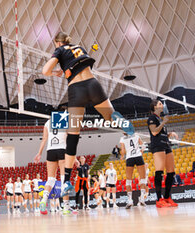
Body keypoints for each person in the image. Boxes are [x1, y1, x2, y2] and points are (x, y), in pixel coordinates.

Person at [42, 32, 134, 199]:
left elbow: (45, 70)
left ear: (57, 42)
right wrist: (63, 70)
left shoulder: (60, 50)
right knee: (111, 117)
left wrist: (54, 72)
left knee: (73, 135)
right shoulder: (79, 48)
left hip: (77, 91)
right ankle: (122, 122)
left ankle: (68, 181)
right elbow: (77, 66)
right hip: (93, 85)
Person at [34, 118, 71, 215]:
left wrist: (39, 153)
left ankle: (43, 200)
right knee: (64, 179)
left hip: (50, 151)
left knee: (50, 179)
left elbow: (44, 139)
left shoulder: (47, 122)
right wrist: (73, 157)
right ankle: (66, 207)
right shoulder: (65, 120)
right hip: (62, 149)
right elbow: (69, 139)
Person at [147, 99, 178, 208]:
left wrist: (170, 134)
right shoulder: (152, 118)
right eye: (160, 103)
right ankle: (158, 199)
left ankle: (167, 197)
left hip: (166, 145)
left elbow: (161, 133)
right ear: (154, 107)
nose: (162, 105)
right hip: (158, 146)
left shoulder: (159, 119)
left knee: (171, 172)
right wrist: (164, 122)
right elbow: (154, 132)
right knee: (159, 171)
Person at [119, 133, 147, 208]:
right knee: (143, 179)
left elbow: (123, 150)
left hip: (129, 158)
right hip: (138, 156)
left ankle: (130, 200)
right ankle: (142, 199)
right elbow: (143, 145)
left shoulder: (122, 138)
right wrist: (141, 151)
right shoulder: (136, 135)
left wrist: (122, 156)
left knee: (128, 180)